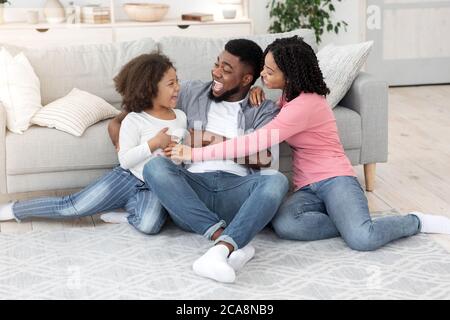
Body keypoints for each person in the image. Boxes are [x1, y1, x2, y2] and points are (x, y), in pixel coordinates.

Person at [170, 36, 450, 252]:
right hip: (306, 187)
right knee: (285, 225)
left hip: (335, 179)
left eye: (269, 71)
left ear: (288, 75)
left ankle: (416, 221)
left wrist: (195, 151)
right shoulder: (288, 97)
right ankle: (349, 221)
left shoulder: (306, 105)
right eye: (263, 70)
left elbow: (253, 143)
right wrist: (255, 91)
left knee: (363, 238)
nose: (262, 76)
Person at [109, 39, 290, 283]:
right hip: (192, 191)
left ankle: (218, 251)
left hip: (236, 193)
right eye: (217, 64)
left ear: (247, 79)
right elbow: (128, 114)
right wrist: (119, 138)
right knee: (156, 166)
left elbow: (266, 159)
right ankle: (227, 242)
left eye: (226, 70)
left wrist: (210, 139)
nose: (216, 72)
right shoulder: (191, 92)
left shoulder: (262, 109)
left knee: (276, 180)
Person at [0, 53, 185, 236]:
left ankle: (125, 215)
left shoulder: (181, 117)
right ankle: (15, 209)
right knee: (72, 207)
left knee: (149, 225)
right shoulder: (134, 119)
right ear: (151, 88)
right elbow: (126, 160)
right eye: (171, 84)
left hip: (155, 186)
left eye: (177, 81)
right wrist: (153, 144)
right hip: (127, 177)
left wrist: (181, 153)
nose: (177, 87)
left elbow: (181, 157)